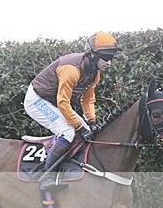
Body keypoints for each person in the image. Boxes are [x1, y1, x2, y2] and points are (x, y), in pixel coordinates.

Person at [23, 31, 123, 191]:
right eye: (106, 57)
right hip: (37, 100)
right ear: (92, 55)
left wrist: (91, 121)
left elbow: (87, 99)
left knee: (85, 129)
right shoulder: (71, 70)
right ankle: (46, 176)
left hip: (52, 101)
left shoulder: (94, 73)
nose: (109, 62)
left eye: (111, 57)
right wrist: (80, 127)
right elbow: (63, 103)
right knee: (68, 132)